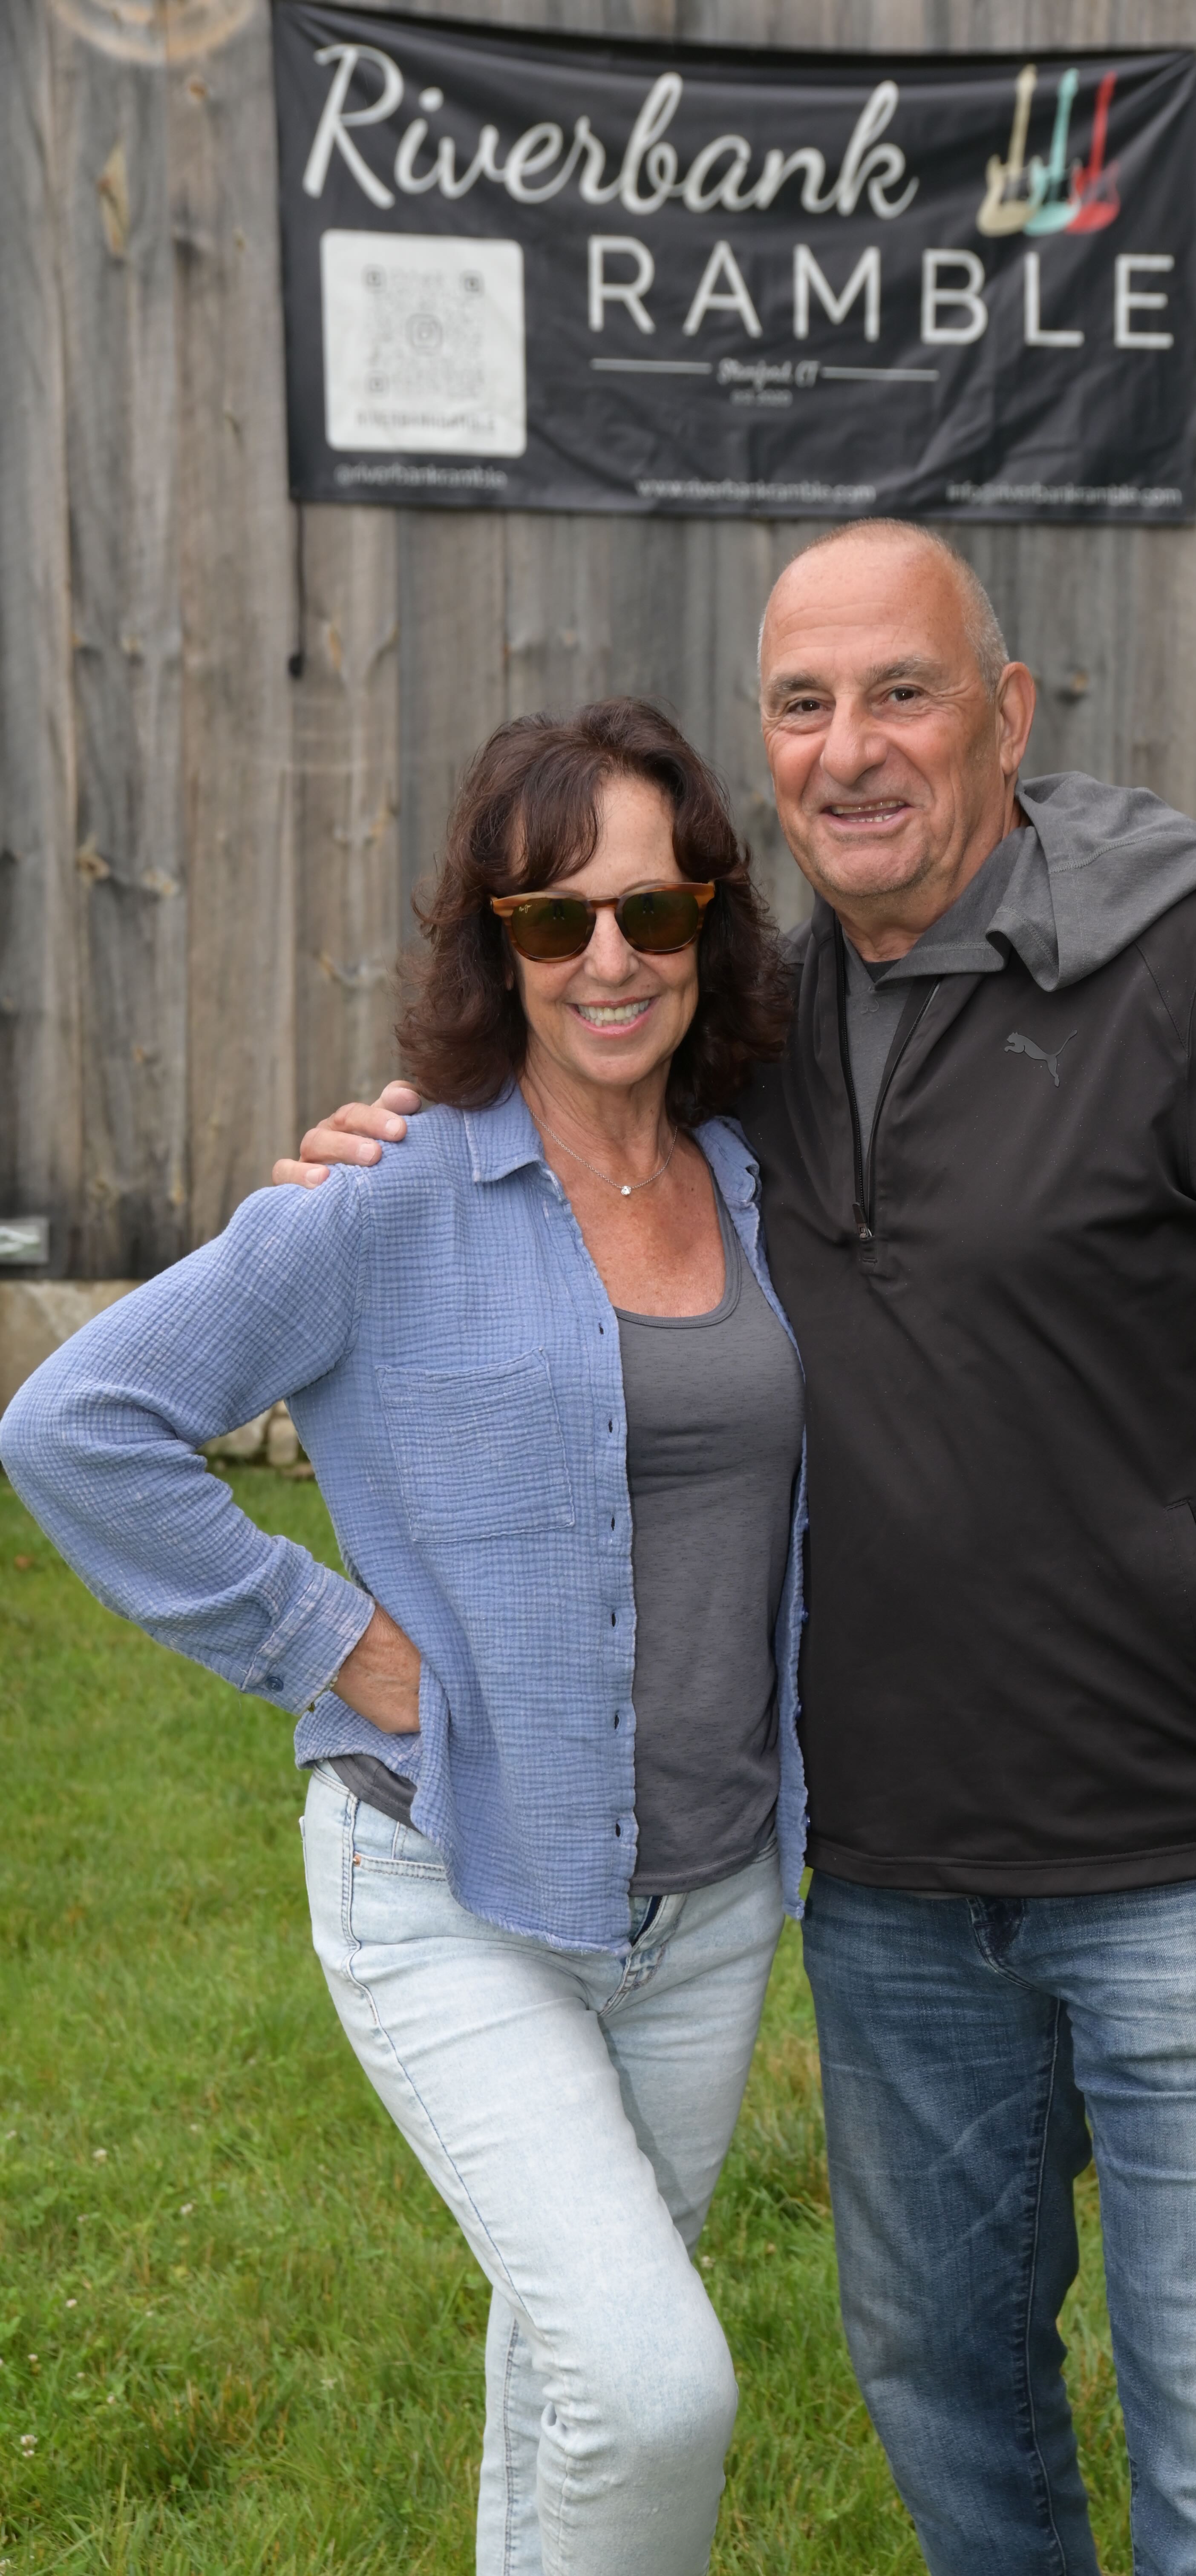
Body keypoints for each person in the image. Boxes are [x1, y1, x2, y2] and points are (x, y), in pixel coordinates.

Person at [284, 523, 1196, 2576]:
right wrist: (397, 1138)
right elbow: (578, 1088)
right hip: (891, 1885)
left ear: (1005, 715)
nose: (849, 749)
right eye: (803, 705)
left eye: (902, 694)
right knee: (955, 2415)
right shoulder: (757, 1028)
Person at [1, 701, 811, 2576]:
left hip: (710, 1903)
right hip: (452, 1876)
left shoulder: (758, 1177)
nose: (609, 959)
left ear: (706, 924)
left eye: (651, 910)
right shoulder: (385, 1194)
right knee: (653, 2387)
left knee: (575, 2375)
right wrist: (333, 1641)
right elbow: (75, 1425)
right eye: (553, 919)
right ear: (493, 945)